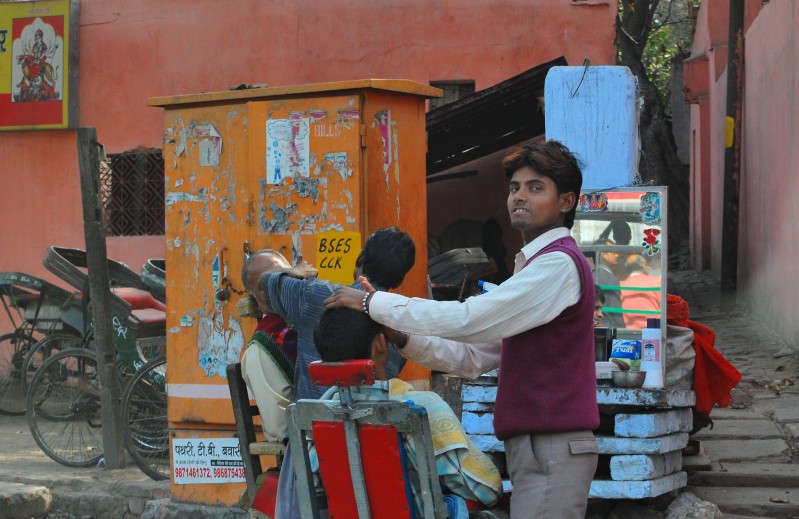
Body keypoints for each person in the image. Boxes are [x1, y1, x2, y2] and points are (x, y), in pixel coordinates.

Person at [324, 140, 599, 519]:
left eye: (536, 188)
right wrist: (402, 336)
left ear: (566, 202)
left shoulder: (558, 266)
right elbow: (473, 357)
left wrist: (374, 303)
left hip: (553, 444)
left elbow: (470, 319)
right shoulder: (532, 268)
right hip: (533, 445)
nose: (519, 196)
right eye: (515, 187)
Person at [262, 227, 416, 519]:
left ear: (361, 259)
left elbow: (266, 281)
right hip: (379, 455)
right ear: (401, 277)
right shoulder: (402, 324)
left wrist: (296, 271)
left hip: (313, 449)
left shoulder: (317, 296)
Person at [312, 307, 504, 518]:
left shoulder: (315, 415)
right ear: (380, 345)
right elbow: (486, 491)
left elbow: (312, 486)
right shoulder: (420, 407)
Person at [236, 249, 299, 444]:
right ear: (255, 295)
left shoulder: (308, 319)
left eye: (283, 277)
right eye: (266, 283)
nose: (276, 285)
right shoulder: (262, 351)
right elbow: (280, 429)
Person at [620, 253, 662, 329]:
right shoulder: (657, 282)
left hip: (628, 332)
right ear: (644, 265)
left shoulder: (621, 285)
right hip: (653, 331)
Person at [593, 238, 625, 328]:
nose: (617, 255)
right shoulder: (610, 279)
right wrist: (622, 330)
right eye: (613, 252)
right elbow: (616, 313)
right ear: (603, 254)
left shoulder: (590, 276)